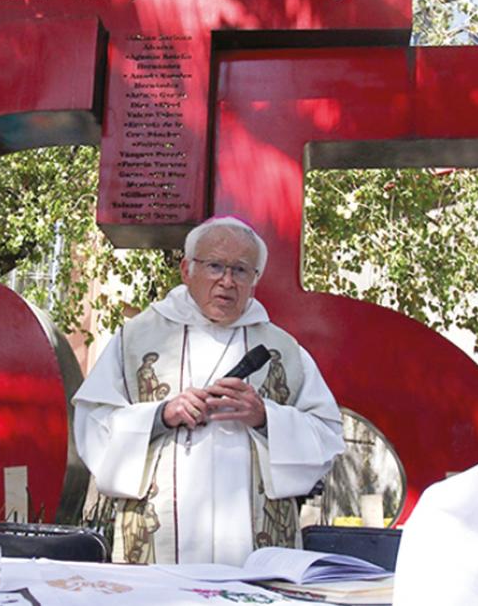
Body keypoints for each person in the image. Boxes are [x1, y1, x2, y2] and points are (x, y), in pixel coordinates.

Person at [73, 216, 346, 565]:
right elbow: (92, 424)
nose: (227, 281)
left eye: (241, 270)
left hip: (252, 546)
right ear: (187, 269)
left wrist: (266, 418)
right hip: (160, 543)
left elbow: (327, 434)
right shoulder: (136, 338)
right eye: (215, 266)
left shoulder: (283, 349)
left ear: (255, 281)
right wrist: (160, 416)